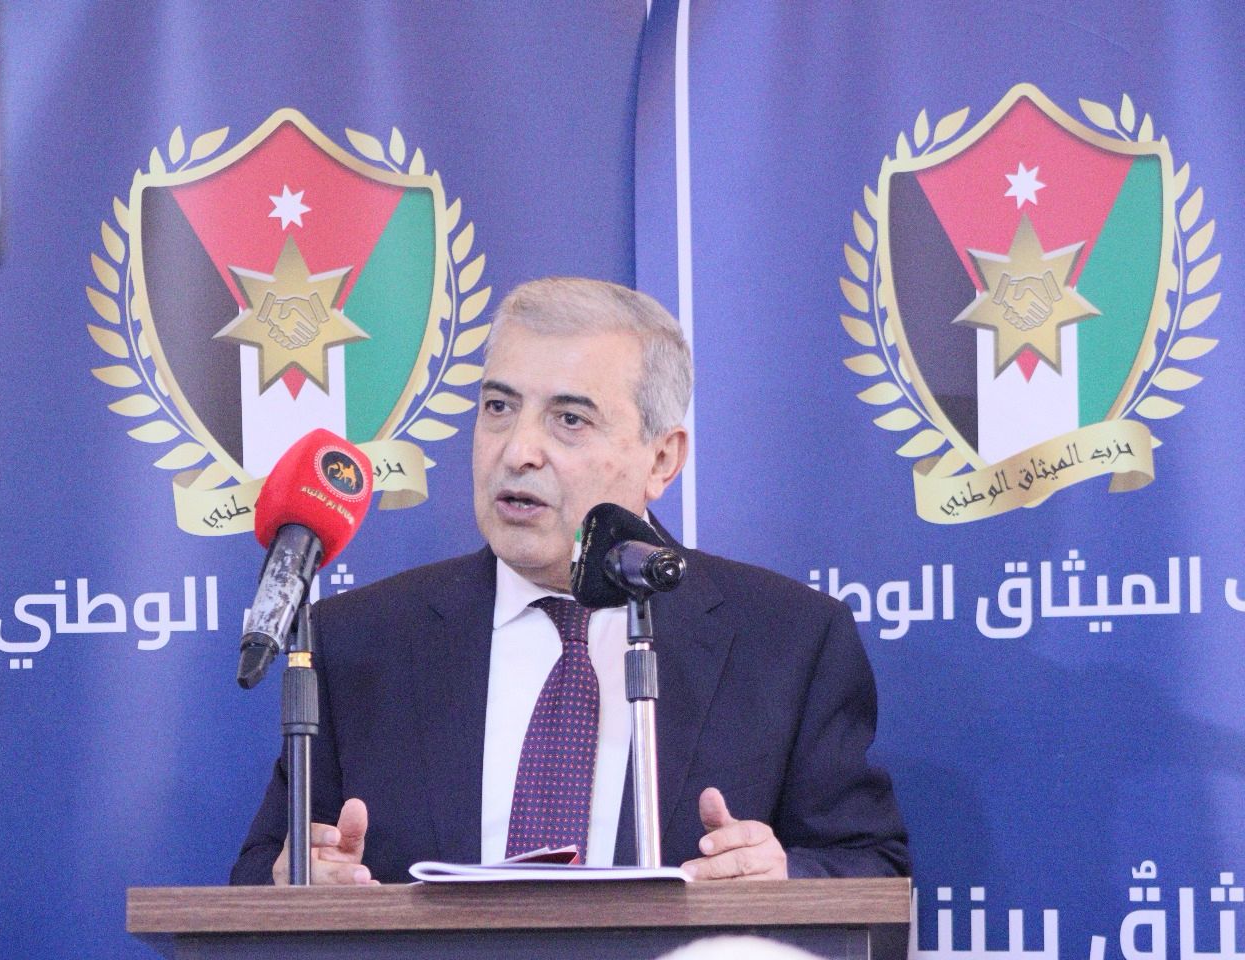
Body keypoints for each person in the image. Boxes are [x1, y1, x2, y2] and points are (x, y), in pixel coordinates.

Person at [231, 277, 908, 885]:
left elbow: (871, 869)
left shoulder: (788, 641)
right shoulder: (359, 641)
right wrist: (299, 881)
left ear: (662, 459)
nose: (517, 450)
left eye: (570, 419)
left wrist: (783, 876)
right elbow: (260, 878)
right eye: (499, 407)